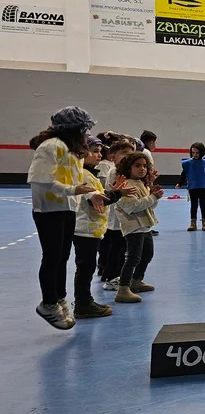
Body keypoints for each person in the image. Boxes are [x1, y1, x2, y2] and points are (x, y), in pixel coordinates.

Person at [28, 107, 103, 330]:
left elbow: (77, 182)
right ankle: (48, 303)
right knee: (52, 257)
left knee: (62, 257)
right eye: (83, 129)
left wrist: (90, 194)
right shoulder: (50, 146)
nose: (85, 134)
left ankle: (59, 297)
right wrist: (73, 191)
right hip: (48, 210)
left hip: (68, 208)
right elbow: (40, 180)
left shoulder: (73, 151)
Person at [73, 137, 125, 319]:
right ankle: (83, 303)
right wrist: (118, 193)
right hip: (85, 230)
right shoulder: (82, 174)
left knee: (87, 266)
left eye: (100, 151)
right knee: (85, 268)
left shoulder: (90, 174)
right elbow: (98, 200)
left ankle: (85, 300)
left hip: (92, 230)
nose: (99, 155)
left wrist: (113, 192)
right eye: (94, 151)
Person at [113, 151, 163, 304]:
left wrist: (154, 196)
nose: (142, 169)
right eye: (137, 166)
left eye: (145, 166)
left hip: (145, 226)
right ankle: (123, 288)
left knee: (147, 254)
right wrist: (152, 197)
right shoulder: (125, 185)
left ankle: (136, 280)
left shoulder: (141, 183)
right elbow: (133, 207)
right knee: (133, 258)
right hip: (134, 227)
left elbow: (149, 205)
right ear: (128, 167)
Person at [99, 139, 136, 289]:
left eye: (131, 153)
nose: (128, 156)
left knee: (122, 249)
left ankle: (116, 275)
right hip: (116, 218)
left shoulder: (127, 171)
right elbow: (113, 193)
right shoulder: (115, 172)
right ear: (113, 157)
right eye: (124, 153)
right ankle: (111, 278)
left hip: (126, 216)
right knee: (116, 248)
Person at [176, 142, 205, 231]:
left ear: (202, 153)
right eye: (193, 153)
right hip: (193, 187)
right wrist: (180, 183)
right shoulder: (188, 163)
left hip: (203, 186)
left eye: (197, 153)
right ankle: (193, 223)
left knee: (203, 205)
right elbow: (184, 174)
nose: (195, 155)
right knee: (194, 205)